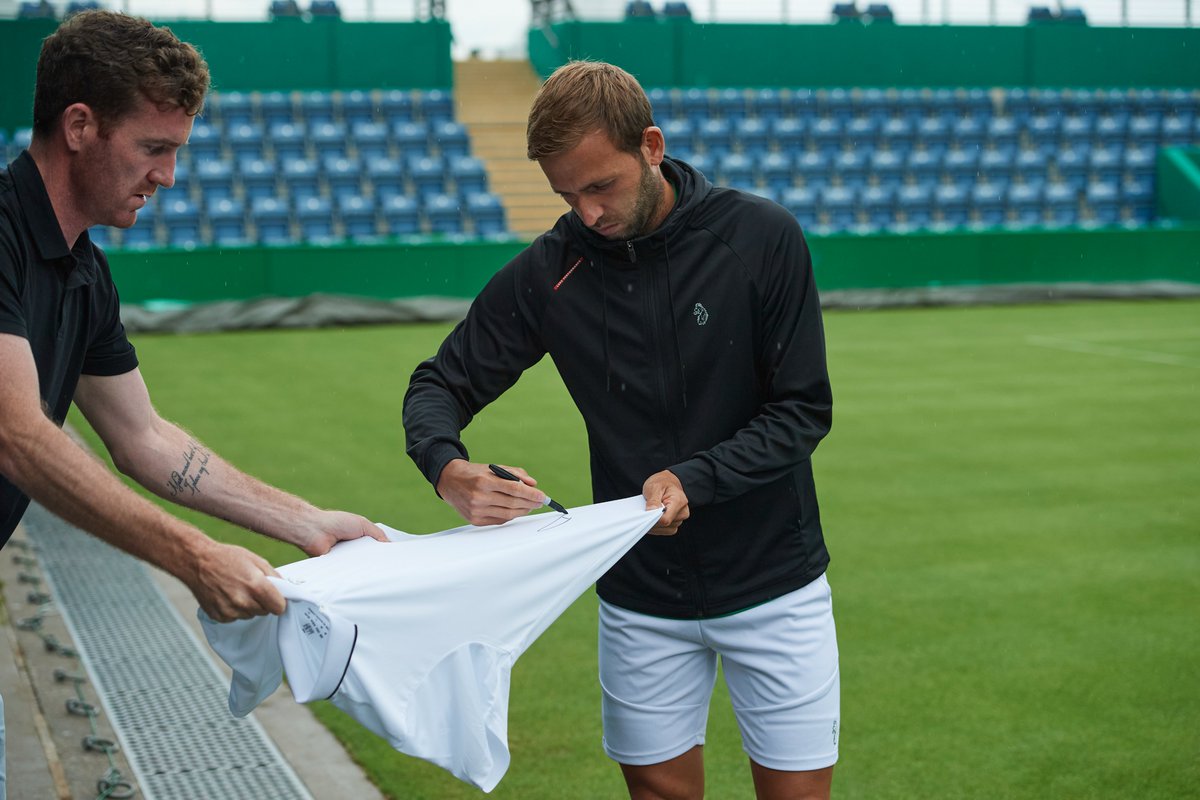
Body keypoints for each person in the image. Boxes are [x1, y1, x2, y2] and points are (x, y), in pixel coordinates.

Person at [404, 61, 838, 799]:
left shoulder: (761, 237)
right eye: (566, 195)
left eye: (600, 186)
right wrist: (448, 468)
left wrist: (694, 478)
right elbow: (438, 384)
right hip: (639, 595)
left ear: (651, 147)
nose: (588, 212)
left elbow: (802, 410)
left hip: (774, 583)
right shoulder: (550, 271)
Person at [0, 12, 386, 797]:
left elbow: (143, 436)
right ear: (79, 126)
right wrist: (194, 557)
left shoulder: (84, 271)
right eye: (153, 148)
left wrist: (304, 521)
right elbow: (18, 437)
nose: (169, 176)